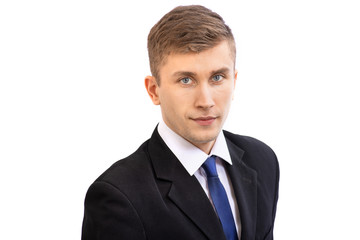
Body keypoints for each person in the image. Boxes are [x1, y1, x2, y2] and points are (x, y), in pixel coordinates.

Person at [81, 5, 279, 240]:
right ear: (154, 90)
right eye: (186, 80)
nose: (205, 101)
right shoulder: (119, 196)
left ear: (234, 81)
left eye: (217, 77)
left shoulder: (262, 160)